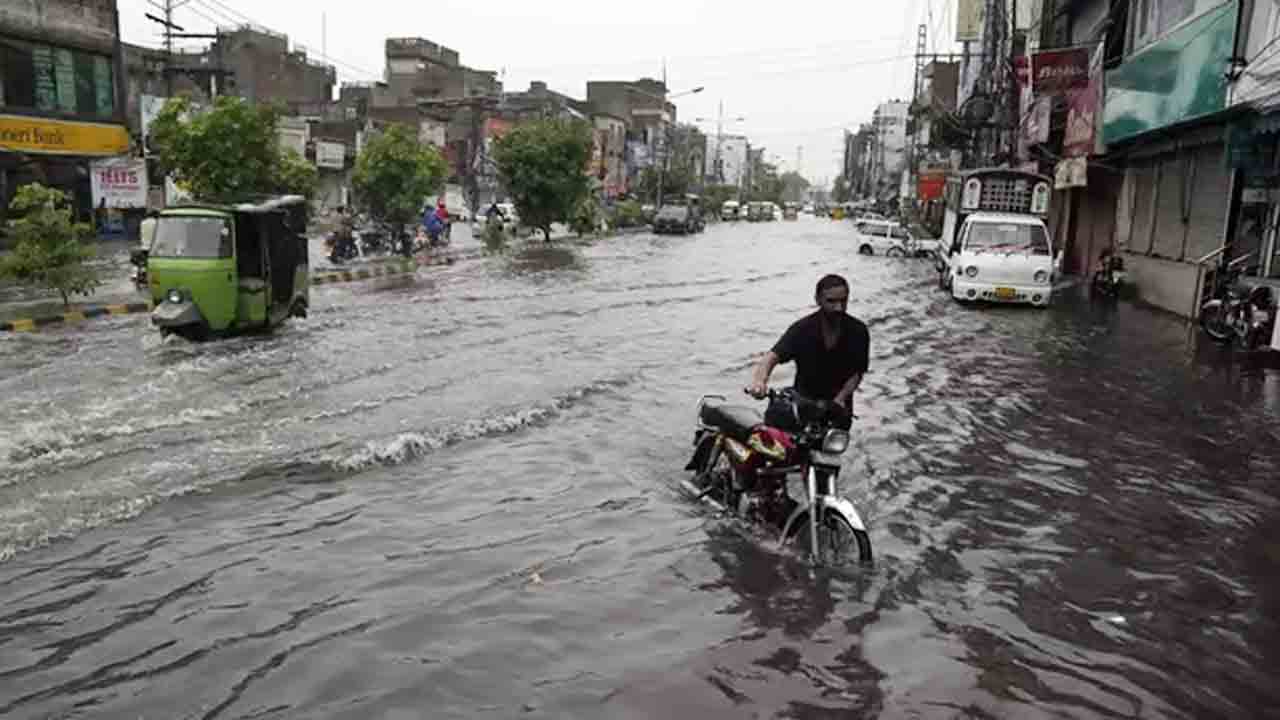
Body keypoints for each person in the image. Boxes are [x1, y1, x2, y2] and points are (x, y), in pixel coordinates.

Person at [746, 274, 869, 430]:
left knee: (831, 450)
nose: (838, 307)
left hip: (839, 407)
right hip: (802, 405)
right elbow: (771, 358)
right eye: (831, 301)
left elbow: (857, 373)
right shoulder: (802, 329)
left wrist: (841, 398)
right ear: (817, 300)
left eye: (843, 301)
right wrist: (760, 381)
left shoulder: (858, 331)